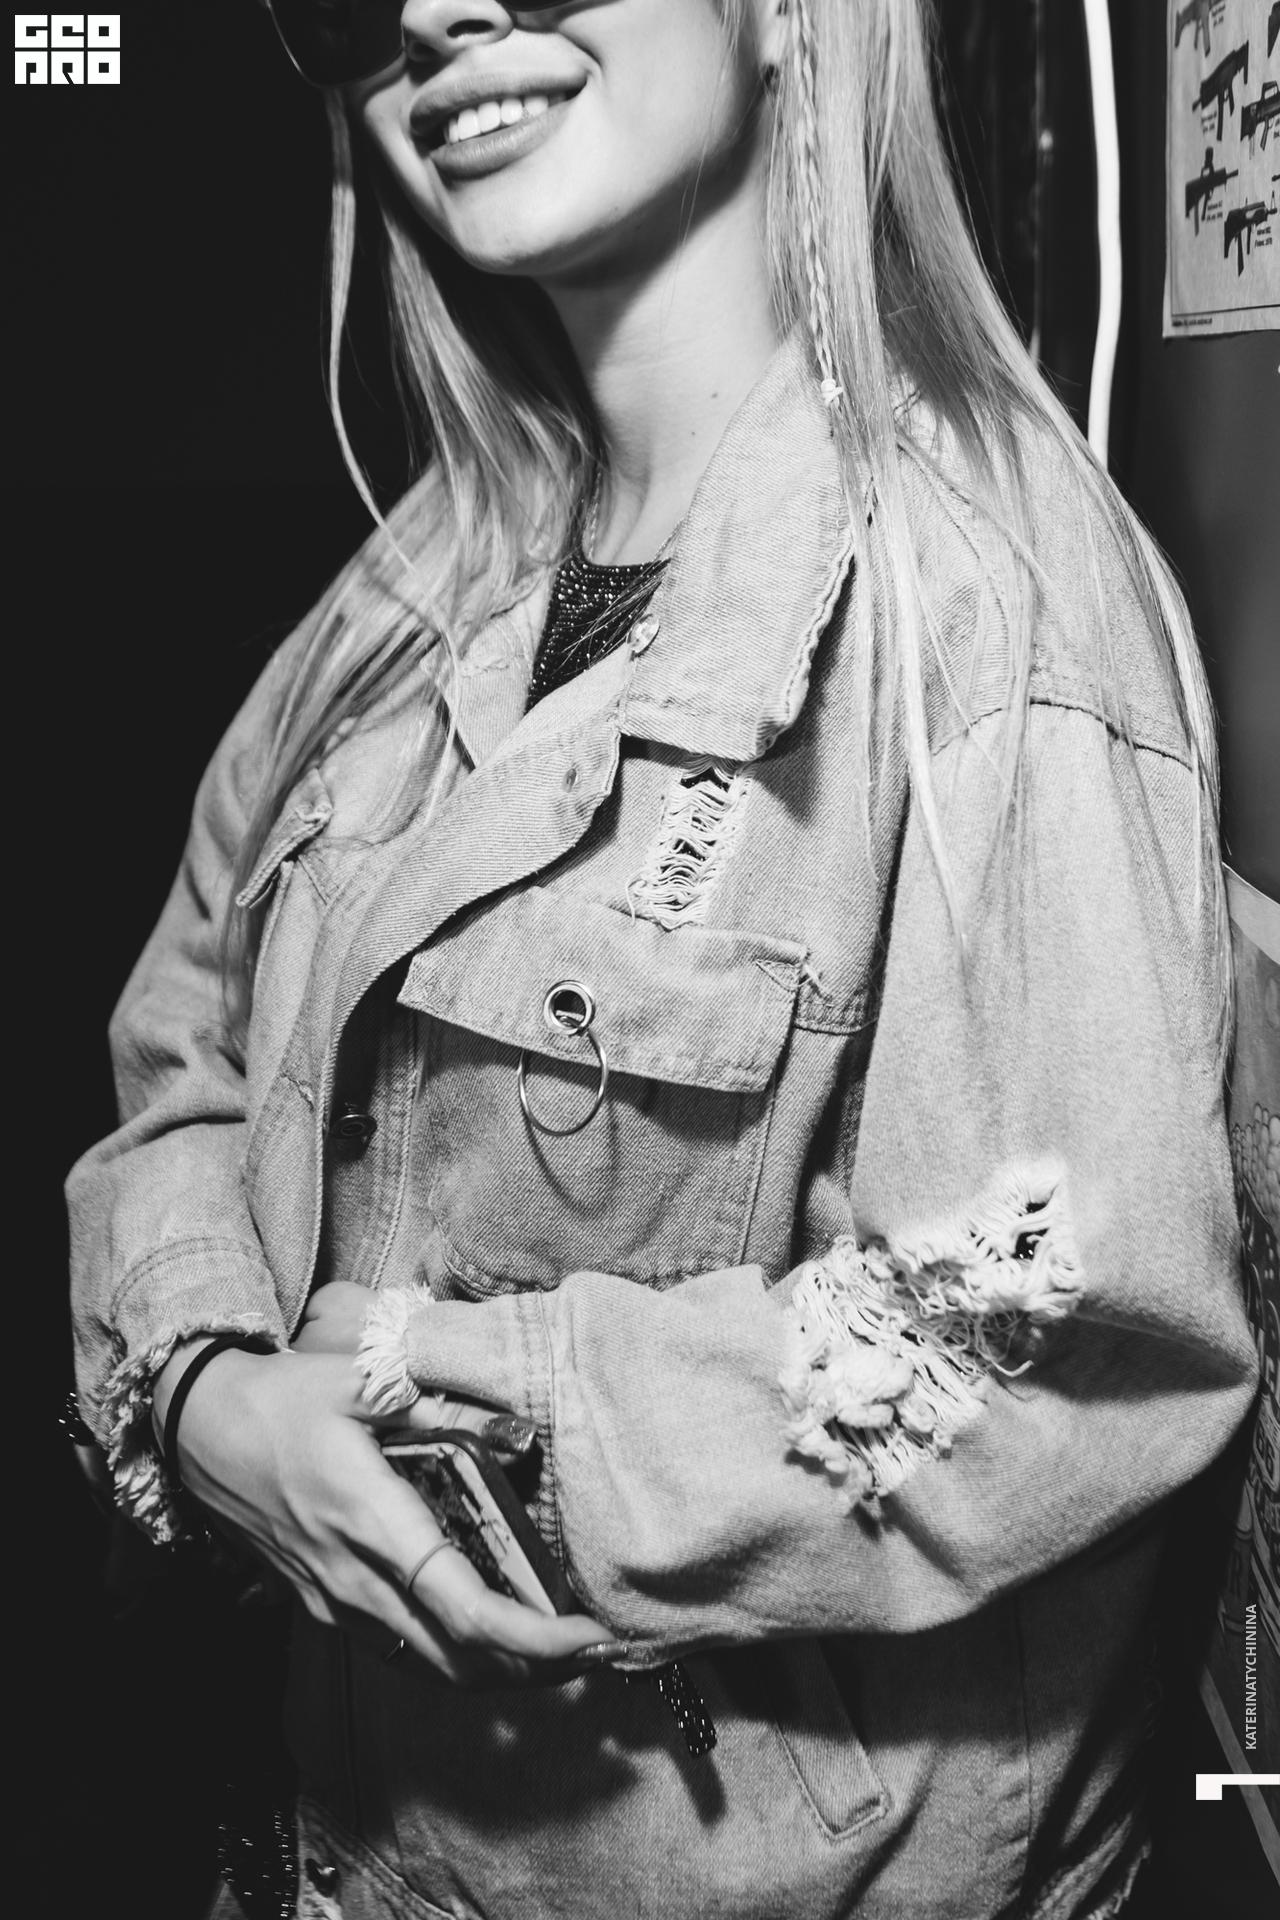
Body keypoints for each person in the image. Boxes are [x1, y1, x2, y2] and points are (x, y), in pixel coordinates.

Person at [68, 1, 1257, 1916]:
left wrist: (445, 1390)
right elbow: (181, 1050)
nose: (438, 9)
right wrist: (202, 1389)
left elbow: (1070, 1342)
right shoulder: (421, 574)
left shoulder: (986, 601)